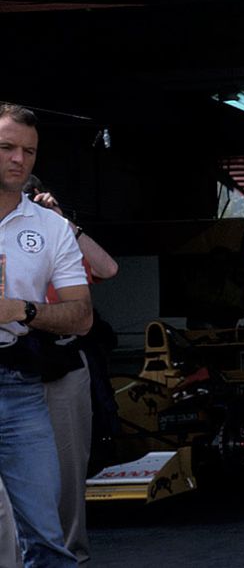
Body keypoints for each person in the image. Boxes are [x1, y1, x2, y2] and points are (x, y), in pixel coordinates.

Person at [0, 102, 92, 567]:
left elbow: (82, 316)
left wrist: (22, 310)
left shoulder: (51, 227)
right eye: (7, 147)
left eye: (29, 151)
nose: (19, 159)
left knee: (46, 537)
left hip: (19, 385)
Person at [24, 174, 118, 566]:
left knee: (68, 470)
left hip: (61, 358)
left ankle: (71, 555)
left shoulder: (58, 233)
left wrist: (64, 222)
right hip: (14, 359)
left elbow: (107, 268)